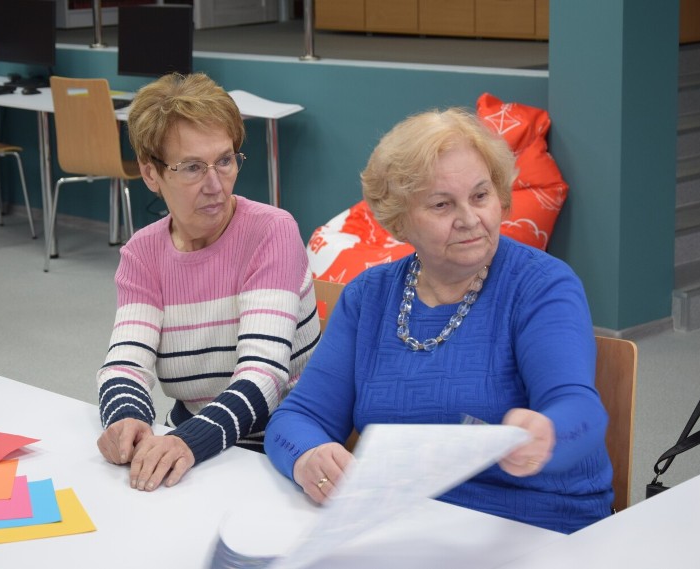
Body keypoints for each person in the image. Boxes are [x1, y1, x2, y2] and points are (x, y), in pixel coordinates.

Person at [264, 108, 613, 534]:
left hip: (533, 523)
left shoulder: (541, 286)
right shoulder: (367, 297)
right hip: (407, 525)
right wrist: (308, 455)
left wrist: (548, 434)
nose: (469, 218)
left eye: (481, 196)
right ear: (399, 220)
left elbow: (582, 411)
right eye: (442, 204)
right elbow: (297, 418)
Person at [97, 72, 320, 492]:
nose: (215, 185)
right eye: (193, 168)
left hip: (284, 445)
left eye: (225, 160)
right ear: (150, 173)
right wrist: (126, 418)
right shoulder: (142, 254)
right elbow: (125, 363)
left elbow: (263, 374)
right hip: (198, 440)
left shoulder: (271, 232)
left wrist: (187, 442)